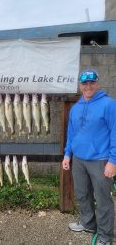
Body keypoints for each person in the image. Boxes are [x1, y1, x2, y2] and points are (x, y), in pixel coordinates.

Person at [62, 69, 116, 245]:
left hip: (100, 160)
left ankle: (105, 237)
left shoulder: (109, 104)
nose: (88, 86)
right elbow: (71, 133)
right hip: (78, 159)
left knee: (103, 200)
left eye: (92, 82)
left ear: (97, 84)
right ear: (80, 85)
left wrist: (113, 161)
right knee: (82, 194)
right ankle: (88, 223)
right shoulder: (76, 108)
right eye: (85, 83)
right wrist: (67, 154)